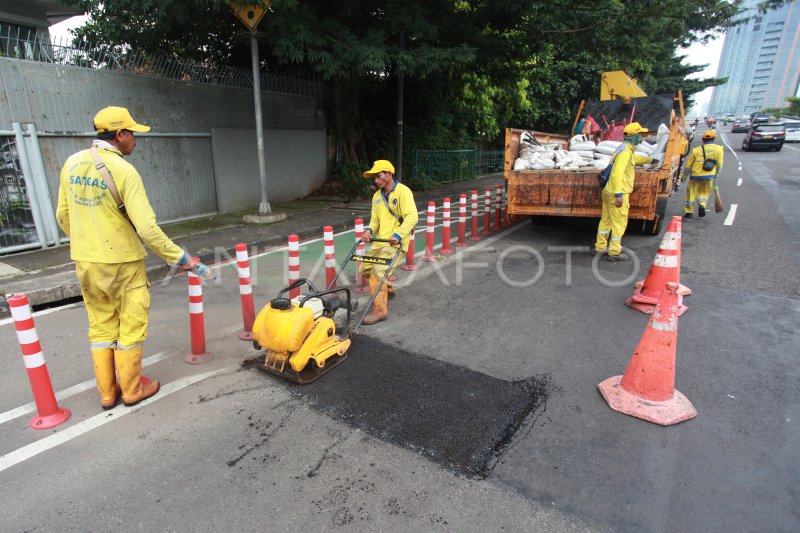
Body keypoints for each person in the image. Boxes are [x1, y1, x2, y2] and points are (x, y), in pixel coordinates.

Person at [56, 106, 197, 408]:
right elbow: (146, 228)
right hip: (123, 263)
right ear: (119, 135)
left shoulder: (71, 163)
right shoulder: (124, 170)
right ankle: (132, 388)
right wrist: (180, 257)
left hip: (86, 261)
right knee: (130, 325)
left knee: (101, 325)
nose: (135, 139)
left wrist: (89, 242)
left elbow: (63, 216)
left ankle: (108, 393)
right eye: (132, 133)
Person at [360, 160, 418, 324]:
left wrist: (399, 235)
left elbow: (412, 216)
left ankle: (380, 311)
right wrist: (369, 230)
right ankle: (388, 289)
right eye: (374, 178)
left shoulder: (403, 192)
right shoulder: (376, 197)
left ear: (389, 174)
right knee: (364, 268)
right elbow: (374, 220)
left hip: (396, 243)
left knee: (378, 271)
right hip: (380, 242)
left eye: (379, 176)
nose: (376, 181)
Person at [594, 122, 649, 261]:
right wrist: (619, 194)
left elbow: (633, 159)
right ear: (633, 136)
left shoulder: (622, 149)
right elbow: (617, 174)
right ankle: (614, 252)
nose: (640, 137)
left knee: (605, 221)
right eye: (639, 134)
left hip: (608, 192)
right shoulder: (625, 152)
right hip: (617, 193)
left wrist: (650, 159)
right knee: (619, 224)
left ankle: (600, 248)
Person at [682, 129, 723, 218]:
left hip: (695, 175)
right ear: (714, 139)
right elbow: (719, 164)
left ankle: (689, 211)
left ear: (703, 140)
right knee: (704, 192)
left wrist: (684, 177)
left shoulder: (696, 150)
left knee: (691, 192)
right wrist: (716, 175)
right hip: (709, 175)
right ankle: (702, 205)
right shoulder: (719, 149)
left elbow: (688, 165)